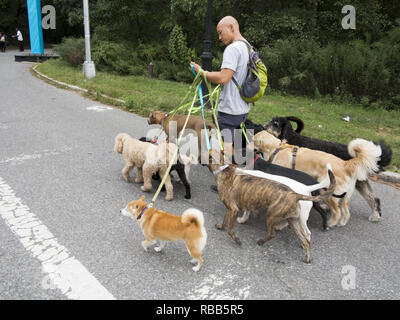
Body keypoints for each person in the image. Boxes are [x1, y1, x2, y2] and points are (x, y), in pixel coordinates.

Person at [190, 16, 250, 165]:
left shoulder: (232, 49)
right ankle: (238, 173)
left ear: (231, 27)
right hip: (243, 106)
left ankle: (229, 180)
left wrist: (201, 72)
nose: (219, 37)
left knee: (225, 144)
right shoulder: (247, 46)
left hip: (230, 107)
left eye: (220, 32)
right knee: (233, 142)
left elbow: (224, 77)